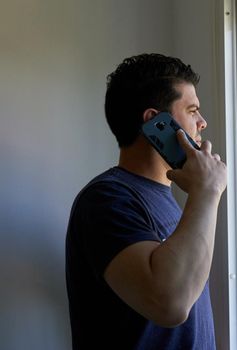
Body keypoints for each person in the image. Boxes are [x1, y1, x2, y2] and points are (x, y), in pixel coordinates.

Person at [65, 53, 227, 350]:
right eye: (192, 110)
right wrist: (207, 191)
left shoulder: (165, 199)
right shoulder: (105, 200)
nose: (202, 123)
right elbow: (171, 304)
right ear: (156, 122)